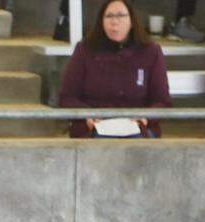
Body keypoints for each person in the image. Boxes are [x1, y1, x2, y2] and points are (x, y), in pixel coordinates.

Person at [59, 0, 172, 137]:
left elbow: (162, 101)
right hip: (94, 127)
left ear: (131, 21)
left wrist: (145, 117)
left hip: (137, 127)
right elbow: (67, 97)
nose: (114, 21)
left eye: (121, 15)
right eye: (109, 16)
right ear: (101, 21)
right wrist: (87, 116)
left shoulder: (151, 51)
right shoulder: (84, 50)